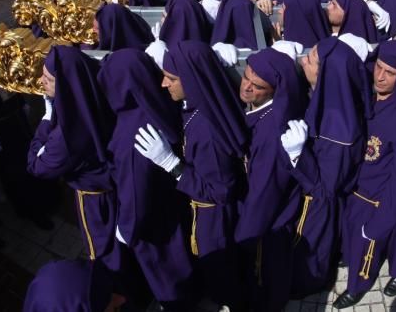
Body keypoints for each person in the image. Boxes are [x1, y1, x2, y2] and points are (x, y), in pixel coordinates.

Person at [134, 41, 247, 310]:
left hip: (213, 218)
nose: (164, 84)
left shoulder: (206, 133)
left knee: (222, 272)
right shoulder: (199, 106)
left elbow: (219, 192)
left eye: (171, 78)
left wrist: (171, 164)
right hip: (209, 210)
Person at [333, 41, 396, 308]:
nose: (381, 76)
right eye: (379, 68)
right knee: (350, 238)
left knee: (367, 246)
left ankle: (357, 286)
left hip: (375, 198)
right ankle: (348, 256)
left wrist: (381, 220)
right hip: (353, 186)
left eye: (390, 73)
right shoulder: (368, 94)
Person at [99, 50, 193, 310]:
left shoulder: (132, 133)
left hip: (152, 224)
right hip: (172, 202)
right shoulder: (157, 100)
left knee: (166, 274)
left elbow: (135, 195)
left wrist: (126, 229)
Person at [281, 38, 370, 298]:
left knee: (312, 247)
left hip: (317, 206)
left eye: (309, 60)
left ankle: (309, 283)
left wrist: (298, 156)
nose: (302, 61)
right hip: (325, 195)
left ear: (325, 74)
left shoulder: (338, 131)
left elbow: (323, 191)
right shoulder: (336, 99)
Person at [29, 46, 125, 279]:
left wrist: (45, 120)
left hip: (94, 197)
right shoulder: (98, 87)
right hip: (119, 182)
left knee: (103, 252)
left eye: (49, 79)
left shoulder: (65, 137)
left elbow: (37, 165)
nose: (41, 82)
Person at [233, 48, 306, 311]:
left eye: (258, 86)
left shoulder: (272, 134)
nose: (248, 87)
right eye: (246, 77)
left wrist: (244, 236)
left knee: (264, 282)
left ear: (274, 91)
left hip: (267, 224)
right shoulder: (260, 108)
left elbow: (264, 195)